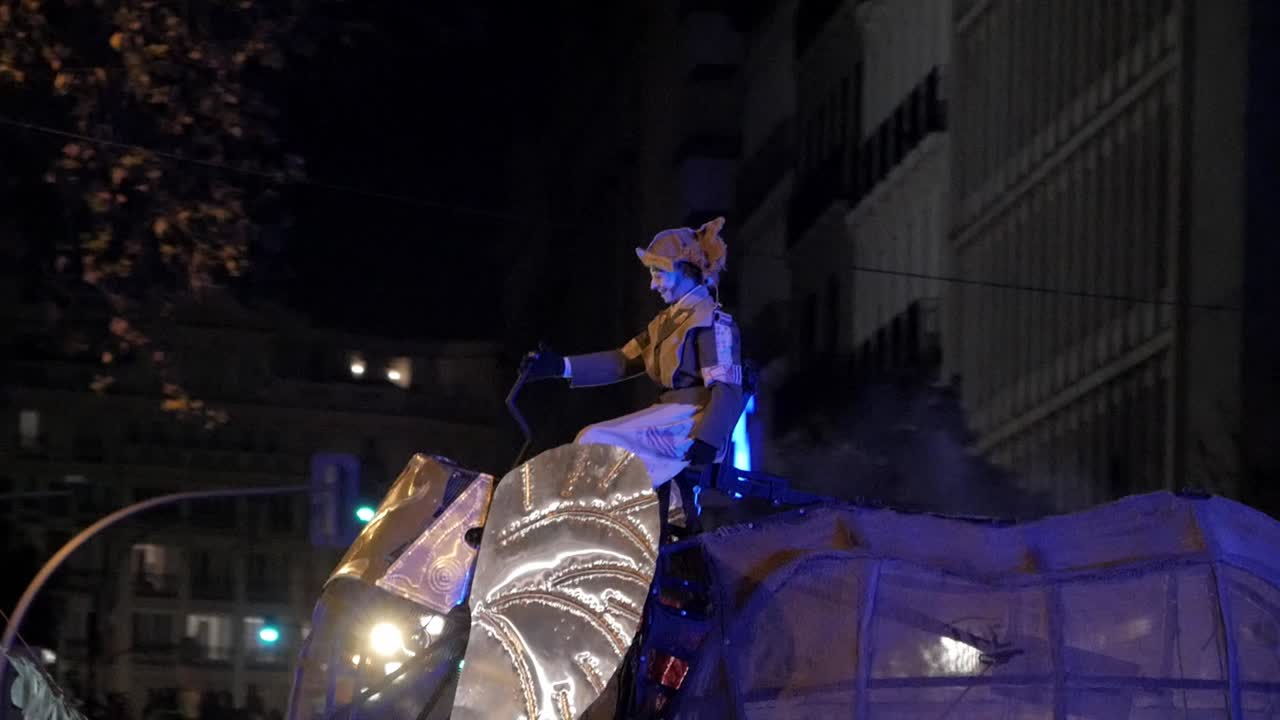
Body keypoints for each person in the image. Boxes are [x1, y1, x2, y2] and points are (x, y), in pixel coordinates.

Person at [521, 217, 746, 488]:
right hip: (666, 415)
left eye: (658, 272)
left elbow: (727, 388)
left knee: (595, 441)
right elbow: (623, 360)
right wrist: (560, 366)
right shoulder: (665, 323)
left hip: (690, 423)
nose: (653, 284)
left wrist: (709, 438)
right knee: (593, 443)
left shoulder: (711, 321)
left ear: (685, 270)